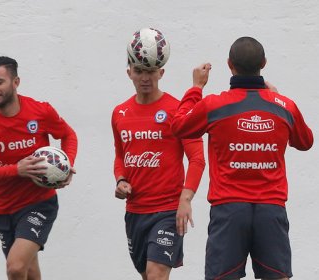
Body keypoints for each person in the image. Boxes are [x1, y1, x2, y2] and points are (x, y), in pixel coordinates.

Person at [171, 37, 314, 280]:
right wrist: (279, 100)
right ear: (264, 63)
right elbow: (305, 142)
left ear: (229, 65)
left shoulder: (214, 104)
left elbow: (179, 126)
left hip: (229, 209)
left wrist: (196, 88)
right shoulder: (284, 106)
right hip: (271, 208)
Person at [0, 56, 78, 280]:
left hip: (40, 203)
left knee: (15, 267)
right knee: (29, 272)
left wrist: (66, 164)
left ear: (16, 82)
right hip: (4, 208)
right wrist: (17, 169)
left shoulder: (40, 111)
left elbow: (68, 135)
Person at [111, 30, 205, 280]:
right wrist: (120, 180)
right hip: (135, 212)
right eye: (139, 70)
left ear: (161, 73)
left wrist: (186, 199)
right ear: (129, 71)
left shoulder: (177, 110)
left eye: (151, 71)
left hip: (167, 210)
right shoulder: (119, 113)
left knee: (156, 274)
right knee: (147, 275)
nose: (145, 78)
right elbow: (120, 155)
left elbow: (197, 158)